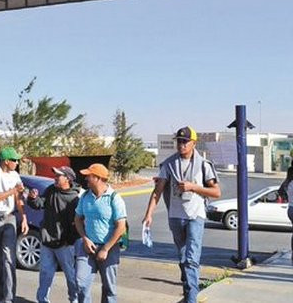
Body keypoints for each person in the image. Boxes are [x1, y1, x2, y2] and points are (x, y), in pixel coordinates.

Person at [142, 126, 220, 303]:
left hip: (195, 216)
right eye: (179, 141)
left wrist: (193, 187)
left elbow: (216, 192)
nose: (181, 144)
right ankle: (188, 289)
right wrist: (149, 215)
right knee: (183, 257)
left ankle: (191, 299)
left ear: (193, 143)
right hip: (176, 216)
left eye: (185, 141)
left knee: (192, 259)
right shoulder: (169, 164)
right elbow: (157, 191)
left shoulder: (203, 165)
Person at [27, 166, 81, 303]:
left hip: (65, 245)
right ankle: (42, 300)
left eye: (58, 176)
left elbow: (76, 224)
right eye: (55, 175)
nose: (55, 178)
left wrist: (69, 241)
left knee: (71, 276)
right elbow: (40, 203)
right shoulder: (51, 190)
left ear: (67, 179)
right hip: (47, 242)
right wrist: (32, 198)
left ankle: (74, 300)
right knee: (45, 274)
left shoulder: (74, 199)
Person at [74, 163, 127, 303]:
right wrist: (85, 239)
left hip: (109, 248)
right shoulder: (85, 196)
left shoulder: (114, 198)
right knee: (80, 283)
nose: (85, 179)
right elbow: (78, 219)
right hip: (87, 246)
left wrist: (105, 248)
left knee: (109, 289)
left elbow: (120, 227)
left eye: (88, 176)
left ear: (97, 178)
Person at [0, 146, 28, 303]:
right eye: (14, 160)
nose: (17, 162)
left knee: (9, 259)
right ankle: (0, 296)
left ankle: (9, 298)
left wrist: (23, 217)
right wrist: (13, 191)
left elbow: (19, 198)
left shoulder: (15, 174)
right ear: (6, 161)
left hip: (9, 219)